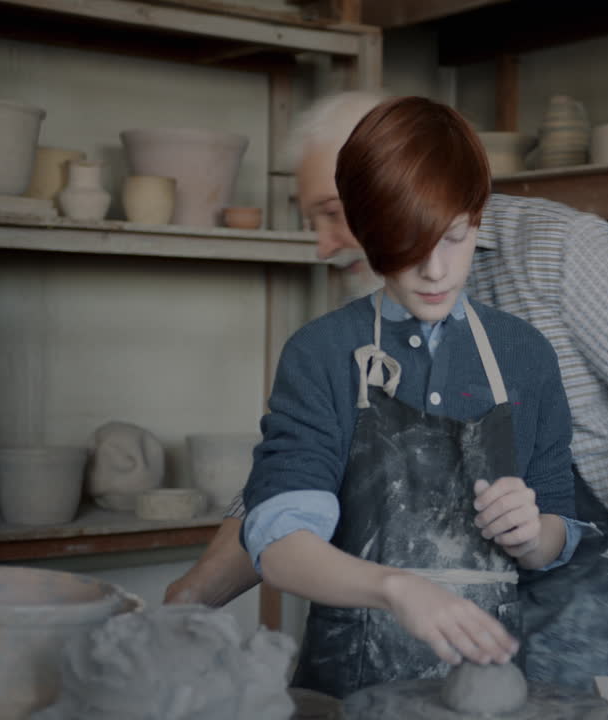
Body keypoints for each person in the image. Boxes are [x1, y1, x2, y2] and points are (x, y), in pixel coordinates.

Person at [165, 90, 608, 691]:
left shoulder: (556, 252)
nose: (325, 245)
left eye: (333, 213)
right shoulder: (348, 328)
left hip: (594, 602)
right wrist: (187, 601)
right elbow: (289, 486)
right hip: (415, 623)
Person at [241, 96, 585, 699]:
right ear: (367, 230)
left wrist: (533, 534)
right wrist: (396, 588)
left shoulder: (525, 355)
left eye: (454, 237)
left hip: (486, 691)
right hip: (348, 684)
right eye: (407, 242)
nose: (434, 270)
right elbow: (280, 547)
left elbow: (558, 526)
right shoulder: (322, 352)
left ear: (477, 219)